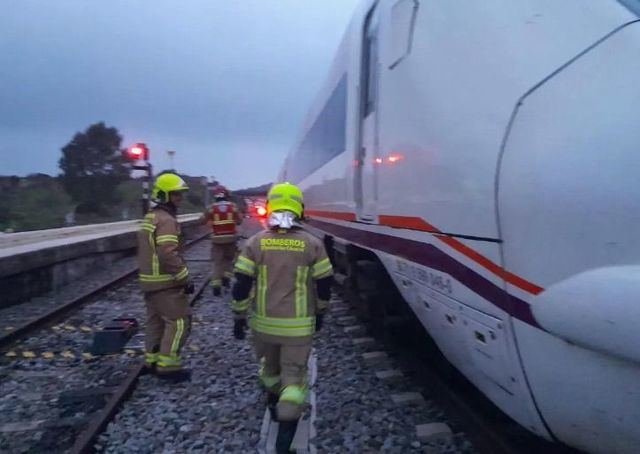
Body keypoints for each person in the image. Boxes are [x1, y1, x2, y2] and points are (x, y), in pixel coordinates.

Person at [230, 182, 333, 453]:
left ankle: (273, 407)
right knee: (294, 383)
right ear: (299, 208)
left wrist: (239, 316)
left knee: (270, 372)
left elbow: (240, 284)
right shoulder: (313, 244)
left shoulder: (256, 242)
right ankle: (283, 442)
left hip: (263, 327)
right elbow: (325, 284)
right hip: (297, 330)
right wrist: (321, 311)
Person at [137, 172, 193, 383]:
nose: (180, 199)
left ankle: (151, 360)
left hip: (149, 282)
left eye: (180, 194)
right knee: (179, 322)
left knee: (155, 322)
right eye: (176, 194)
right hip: (165, 283)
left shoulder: (149, 218)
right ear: (164, 195)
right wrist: (184, 277)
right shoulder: (167, 220)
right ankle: (168, 366)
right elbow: (167, 253)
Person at [200, 185, 243, 296]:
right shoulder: (233, 206)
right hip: (231, 239)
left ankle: (216, 286)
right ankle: (226, 278)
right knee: (229, 260)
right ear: (226, 195)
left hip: (217, 240)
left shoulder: (211, 208)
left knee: (217, 263)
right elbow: (239, 221)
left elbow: (202, 220)